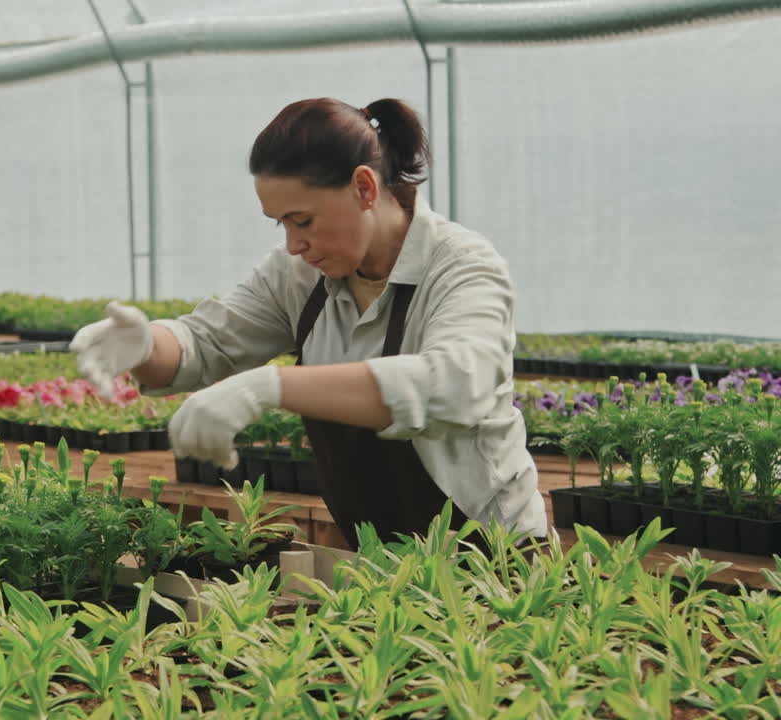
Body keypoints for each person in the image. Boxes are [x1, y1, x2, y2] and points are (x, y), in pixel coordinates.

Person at [70, 97, 547, 552]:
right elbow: (208, 342)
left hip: (495, 561)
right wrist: (146, 345)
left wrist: (270, 385)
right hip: (384, 562)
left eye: (303, 220)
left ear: (364, 187)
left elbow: (454, 386)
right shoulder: (299, 275)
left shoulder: (463, 266)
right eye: (281, 224)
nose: (294, 244)